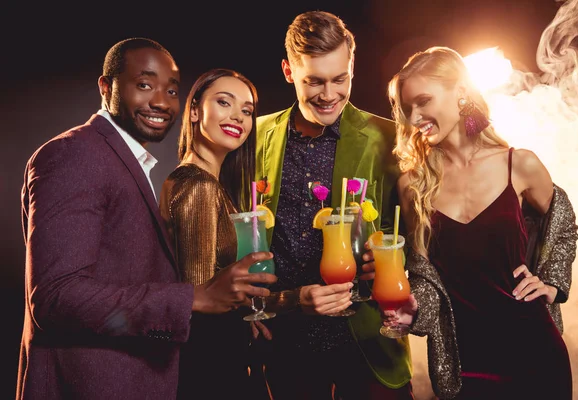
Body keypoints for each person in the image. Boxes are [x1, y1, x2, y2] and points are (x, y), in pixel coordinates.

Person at [17, 38, 276, 400]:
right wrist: (193, 300)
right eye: (144, 85)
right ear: (106, 87)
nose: (160, 100)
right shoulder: (74, 154)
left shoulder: (134, 167)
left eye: (171, 90)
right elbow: (56, 298)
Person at [383, 46, 577, 399]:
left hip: (535, 353)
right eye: (407, 108)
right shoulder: (412, 186)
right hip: (465, 365)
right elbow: (426, 277)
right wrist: (413, 311)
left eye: (423, 101)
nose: (414, 117)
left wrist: (552, 281)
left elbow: (562, 223)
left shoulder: (519, 164)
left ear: (460, 94)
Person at [253, 11, 413, 400]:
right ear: (288, 71)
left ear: (352, 66)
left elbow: (422, 231)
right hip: (286, 340)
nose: (328, 94)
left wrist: (394, 255)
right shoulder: (252, 135)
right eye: (314, 81)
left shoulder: (389, 137)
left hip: (369, 340)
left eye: (339, 79)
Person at [159, 68, 266, 399]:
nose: (238, 116)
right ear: (194, 111)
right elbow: (201, 301)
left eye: (247, 111)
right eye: (224, 102)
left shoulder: (202, 182)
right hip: (211, 369)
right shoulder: (198, 184)